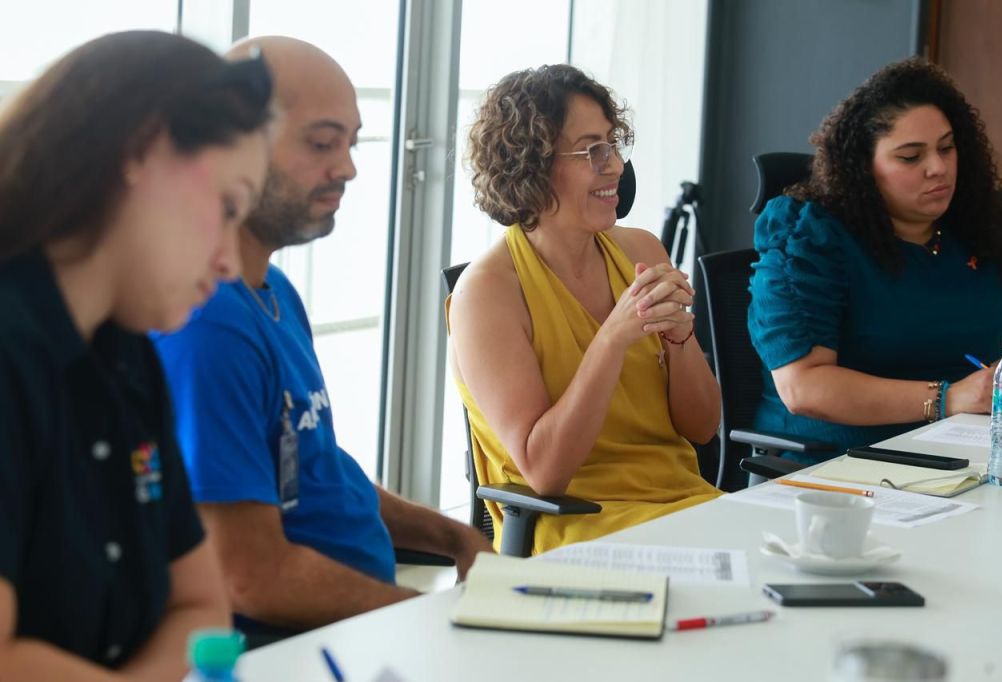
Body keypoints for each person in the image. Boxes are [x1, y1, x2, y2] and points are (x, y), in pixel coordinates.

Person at [154, 36, 492, 639]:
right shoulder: (209, 325)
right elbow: (250, 576)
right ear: (234, 146)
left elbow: (315, 467)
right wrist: (429, 619)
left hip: (353, 627)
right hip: (284, 648)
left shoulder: (275, 291)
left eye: (352, 142)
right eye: (321, 142)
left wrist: (454, 537)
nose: (348, 167)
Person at [0, 31, 272, 681]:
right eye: (228, 208)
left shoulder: (126, 360)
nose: (232, 261)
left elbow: (202, 606)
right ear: (141, 148)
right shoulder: (12, 354)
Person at [449, 64, 722, 555]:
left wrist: (680, 340)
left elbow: (702, 428)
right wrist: (613, 338)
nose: (615, 166)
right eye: (592, 150)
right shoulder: (485, 293)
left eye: (614, 145)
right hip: (579, 527)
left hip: (689, 507)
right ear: (529, 165)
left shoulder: (642, 251)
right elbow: (545, 472)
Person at [748, 58, 1002, 464]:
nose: (938, 168)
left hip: (976, 449)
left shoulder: (990, 219)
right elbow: (804, 387)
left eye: (947, 148)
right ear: (862, 168)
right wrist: (949, 398)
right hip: (842, 463)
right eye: (911, 158)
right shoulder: (811, 236)